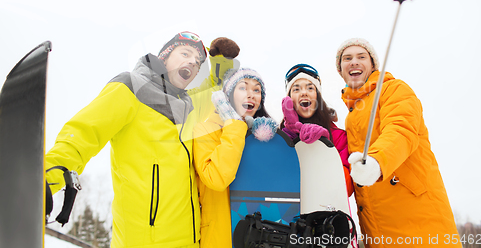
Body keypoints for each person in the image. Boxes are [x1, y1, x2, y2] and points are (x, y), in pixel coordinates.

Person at [45, 31, 240, 248]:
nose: (191, 63)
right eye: (185, 53)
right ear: (165, 55)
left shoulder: (188, 106)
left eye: (197, 62)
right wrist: (45, 176)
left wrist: (222, 61)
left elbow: (214, 86)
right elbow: (84, 133)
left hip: (190, 242)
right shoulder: (130, 87)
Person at [336, 38, 461, 247]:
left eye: (361, 57)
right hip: (378, 230)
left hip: (418, 223)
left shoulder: (394, 90)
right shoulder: (351, 115)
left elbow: (401, 130)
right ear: (341, 70)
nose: (354, 62)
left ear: (373, 65)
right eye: (347, 58)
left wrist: (377, 160)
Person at [193, 68, 277, 248]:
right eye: (243, 88)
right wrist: (234, 126)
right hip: (220, 237)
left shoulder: (262, 136)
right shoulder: (205, 130)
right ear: (228, 96)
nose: (251, 95)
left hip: (259, 235)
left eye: (257, 90)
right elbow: (216, 179)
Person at [280, 63, 354, 197]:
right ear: (289, 100)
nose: (304, 92)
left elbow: (346, 189)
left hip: (327, 213)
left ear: (318, 97)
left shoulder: (338, 136)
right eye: (296, 89)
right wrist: (290, 135)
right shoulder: (279, 138)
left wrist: (324, 145)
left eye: (310, 88)